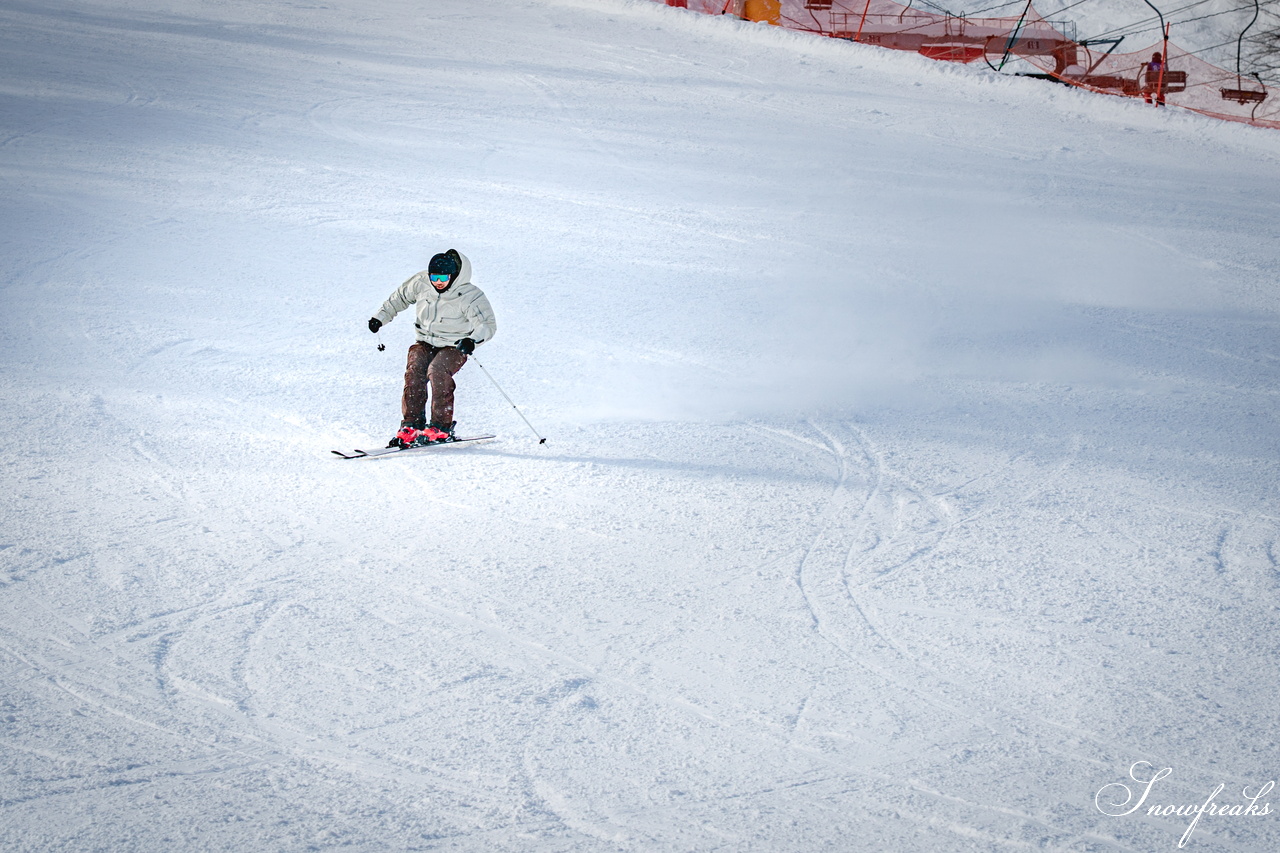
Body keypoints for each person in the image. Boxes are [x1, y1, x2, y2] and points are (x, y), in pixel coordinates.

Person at [367, 249, 496, 447]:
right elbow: (399, 298)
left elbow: (486, 324)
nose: (438, 282)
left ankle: (440, 427)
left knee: (437, 371)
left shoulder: (470, 295)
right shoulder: (421, 283)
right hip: (425, 341)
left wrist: (472, 340)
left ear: (453, 276)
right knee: (415, 370)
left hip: (455, 345)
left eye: (443, 277)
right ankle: (411, 425)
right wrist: (380, 318)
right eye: (434, 277)